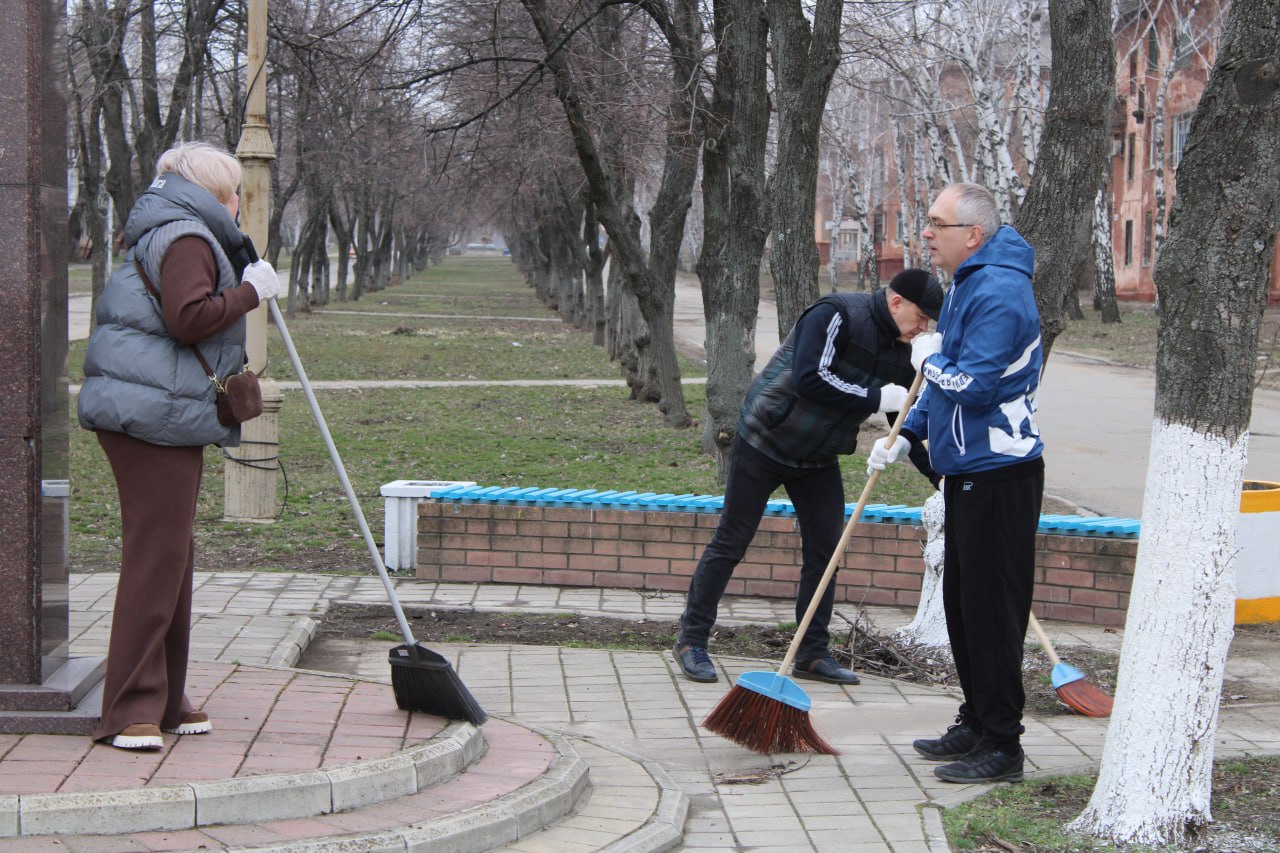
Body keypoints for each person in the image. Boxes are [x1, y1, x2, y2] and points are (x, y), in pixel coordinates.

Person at [77, 142, 282, 750]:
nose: (238, 209)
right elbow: (187, 318)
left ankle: (165, 696)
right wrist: (250, 292)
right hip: (149, 414)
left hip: (153, 410)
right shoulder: (188, 237)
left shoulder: (170, 226)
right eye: (235, 197)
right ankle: (129, 709)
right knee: (156, 556)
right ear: (219, 194)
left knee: (172, 555)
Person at [674, 270, 943, 686]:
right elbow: (809, 378)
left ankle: (811, 654)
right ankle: (692, 641)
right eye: (922, 317)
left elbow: (903, 420)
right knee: (731, 541)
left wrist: (937, 478)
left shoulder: (904, 352)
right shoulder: (837, 313)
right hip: (765, 439)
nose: (923, 327)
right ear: (896, 303)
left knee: (826, 552)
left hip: (817, 457)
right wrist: (876, 397)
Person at [868, 182, 1044, 784]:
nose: (925, 233)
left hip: (1000, 473)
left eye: (936, 223)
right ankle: (976, 718)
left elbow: (976, 386)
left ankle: (1003, 745)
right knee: (963, 607)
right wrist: (907, 435)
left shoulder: (999, 291)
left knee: (992, 613)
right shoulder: (969, 281)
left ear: (972, 235)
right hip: (967, 470)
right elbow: (941, 395)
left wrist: (930, 358)